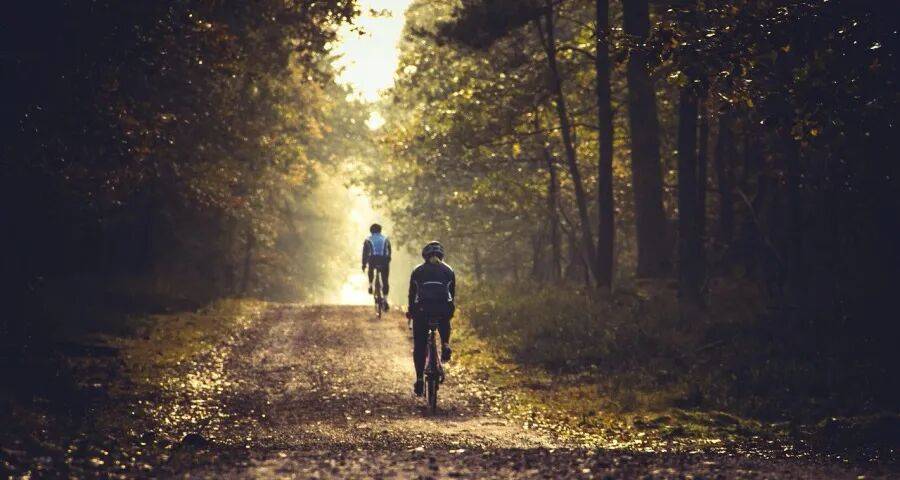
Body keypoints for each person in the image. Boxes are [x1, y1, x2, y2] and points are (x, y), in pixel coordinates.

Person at [406, 241, 455, 397]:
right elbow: (451, 295)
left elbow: (412, 295)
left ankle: (420, 379)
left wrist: (410, 311)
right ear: (441, 255)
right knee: (444, 318)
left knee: (420, 346)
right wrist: (448, 311)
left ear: (425, 255)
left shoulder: (418, 271)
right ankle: (446, 343)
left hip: (422, 310)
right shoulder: (448, 271)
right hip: (442, 310)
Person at [362, 223, 391, 309]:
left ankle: (370, 285)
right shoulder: (386, 239)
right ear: (380, 230)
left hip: (373, 259)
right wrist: (388, 260)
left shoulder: (368, 239)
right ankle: (385, 300)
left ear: (371, 231)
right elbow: (389, 251)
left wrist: (364, 264)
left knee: (370, 270)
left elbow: (365, 254)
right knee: (385, 280)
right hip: (384, 260)